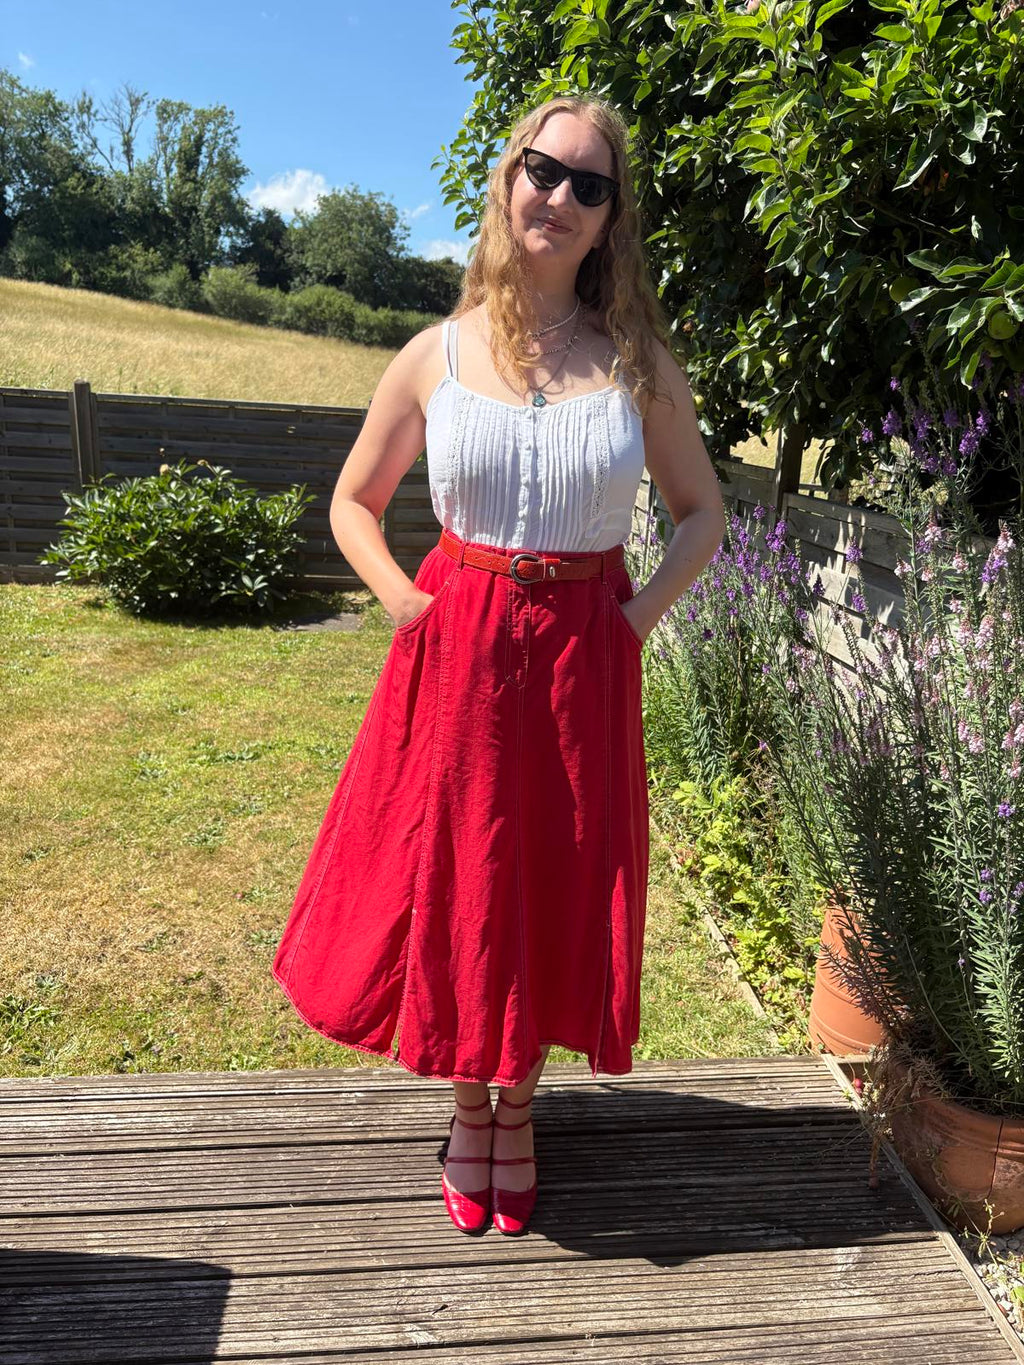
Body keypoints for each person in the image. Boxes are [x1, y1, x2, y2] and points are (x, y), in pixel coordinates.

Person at [272, 94, 726, 1237]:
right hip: (458, 644)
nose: (562, 198)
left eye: (591, 185)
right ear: (507, 181)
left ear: (611, 218)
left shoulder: (636, 362)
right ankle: (467, 1097)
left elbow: (701, 514)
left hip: (583, 650)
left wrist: (632, 623)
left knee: (552, 875)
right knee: (460, 870)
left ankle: (515, 1106)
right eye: (545, 171)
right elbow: (354, 501)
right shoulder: (435, 353)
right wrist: (407, 603)